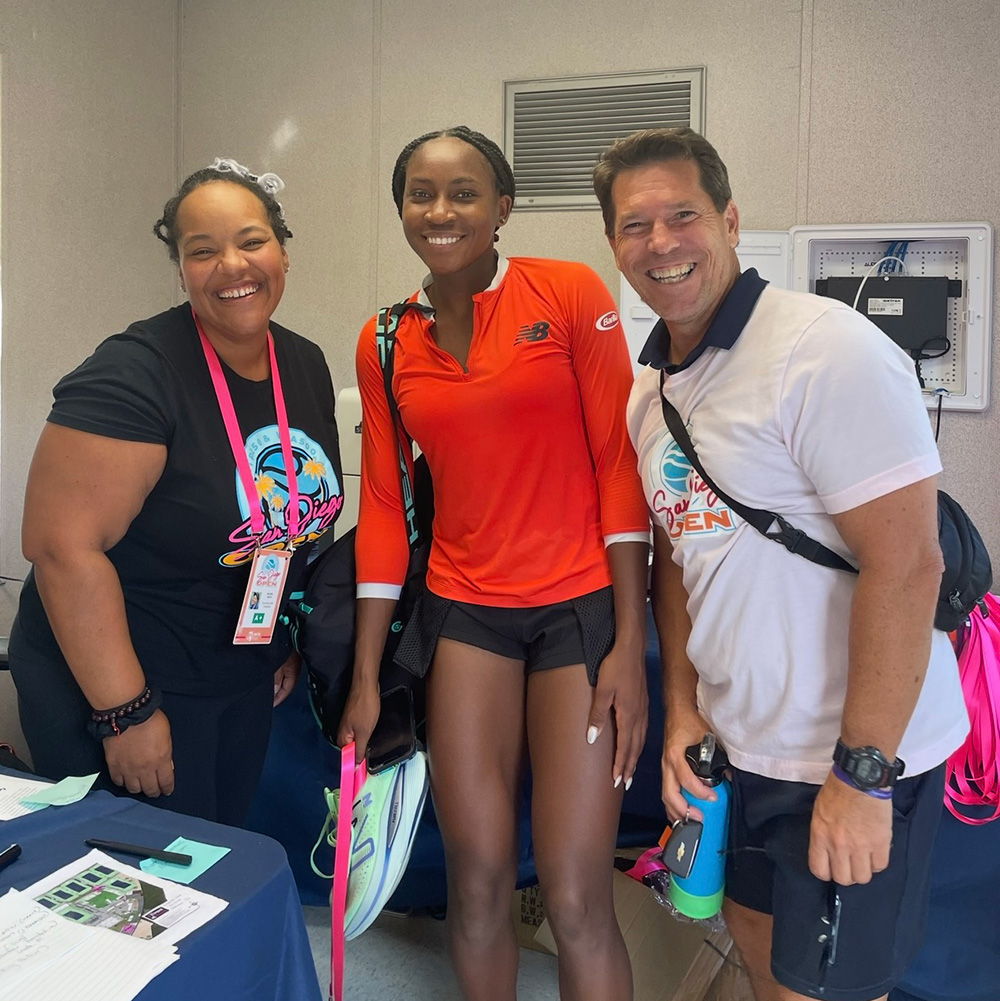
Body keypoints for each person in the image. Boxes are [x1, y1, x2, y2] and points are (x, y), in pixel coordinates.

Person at [596, 127, 969, 1001]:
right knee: (771, 971)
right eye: (634, 224)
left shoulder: (822, 349)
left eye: (682, 214)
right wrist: (687, 712)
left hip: (848, 758)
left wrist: (861, 774)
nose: (660, 243)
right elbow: (680, 559)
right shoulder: (650, 390)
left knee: (832, 991)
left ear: (729, 220)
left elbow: (908, 566)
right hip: (743, 750)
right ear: (613, 244)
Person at [339, 126, 651, 1001]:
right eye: (421, 193)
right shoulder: (386, 339)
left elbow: (617, 462)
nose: (441, 211)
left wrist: (631, 639)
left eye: (464, 192)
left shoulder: (569, 291)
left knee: (575, 888)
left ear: (502, 206)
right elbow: (382, 513)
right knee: (474, 880)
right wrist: (365, 674)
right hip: (464, 609)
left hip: (577, 610)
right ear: (402, 208)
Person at [9, 158, 343, 826]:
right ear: (182, 267)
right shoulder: (134, 373)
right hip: (123, 679)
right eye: (202, 250)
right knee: (150, 894)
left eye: (250, 241)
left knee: (220, 861)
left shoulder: (301, 361)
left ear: (282, 249)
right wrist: (123, 711)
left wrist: (282, 638)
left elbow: (290, 516)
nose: (232, 265)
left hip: (235, 667)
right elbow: (61, 547)